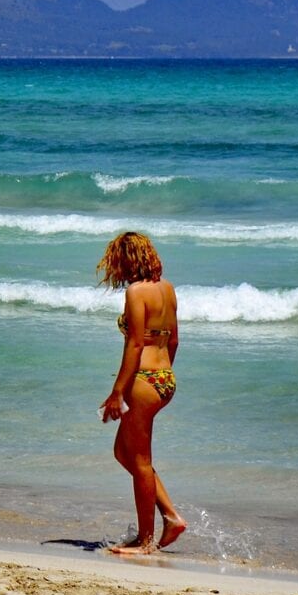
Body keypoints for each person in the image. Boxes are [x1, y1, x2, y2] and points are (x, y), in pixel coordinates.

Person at [97, 231, 187, 556]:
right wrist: (162, 379)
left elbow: (135, 344)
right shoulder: (168, 290)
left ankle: (146, 541)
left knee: (140, 460)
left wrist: (117, 392)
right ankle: (171, 517)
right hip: (164, 380)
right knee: (124, 452)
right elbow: (173, 341)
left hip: (144, 380)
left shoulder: (136, 292)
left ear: (127, 261)